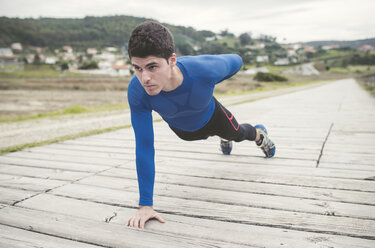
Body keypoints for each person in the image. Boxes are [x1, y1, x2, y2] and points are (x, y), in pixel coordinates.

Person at [125, 21, 275, 229]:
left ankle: (259, 135)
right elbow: (144, 146)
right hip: (185, 132)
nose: (145, 78)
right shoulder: (137, 91)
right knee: (205, 134)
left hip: (215, 117)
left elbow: (237, 60)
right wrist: (145, 205)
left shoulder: (203, 69)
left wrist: (214, 79)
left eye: (152, 67)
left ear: (172, 61)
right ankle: (224, 137)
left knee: (237, 133)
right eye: (138, 69)